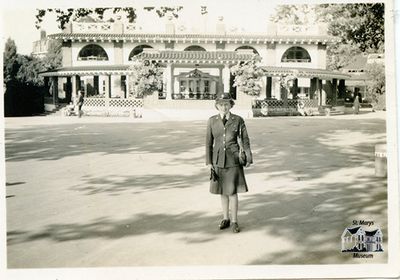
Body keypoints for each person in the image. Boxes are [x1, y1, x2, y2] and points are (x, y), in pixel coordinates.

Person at [206, 93, 253, 233]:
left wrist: (248, 157)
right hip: (218, 160)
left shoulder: (238, 120)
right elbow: (208, 143)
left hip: (233, 160)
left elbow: (245, 140)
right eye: (221, 104)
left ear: (231, 105)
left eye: (226, 104)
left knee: (232, 192)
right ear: (217, 106)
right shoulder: (212, 121)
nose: (224, 107)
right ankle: (225, 218)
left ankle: (234, 221)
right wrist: (209, 162)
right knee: (222, 192)